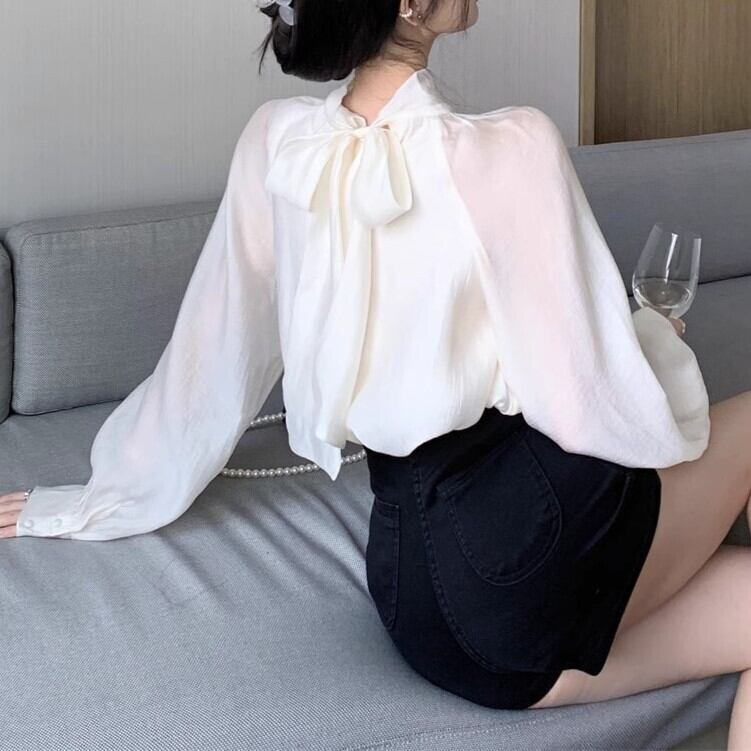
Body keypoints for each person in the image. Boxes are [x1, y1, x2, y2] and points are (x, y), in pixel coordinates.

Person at [1, 0, 749, 737]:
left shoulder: (276, 142)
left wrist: (102, 498)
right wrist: (655, 343)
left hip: (417, 606)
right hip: (527, 555)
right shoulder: (512, 147)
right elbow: (592, 406)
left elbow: (210, 354)